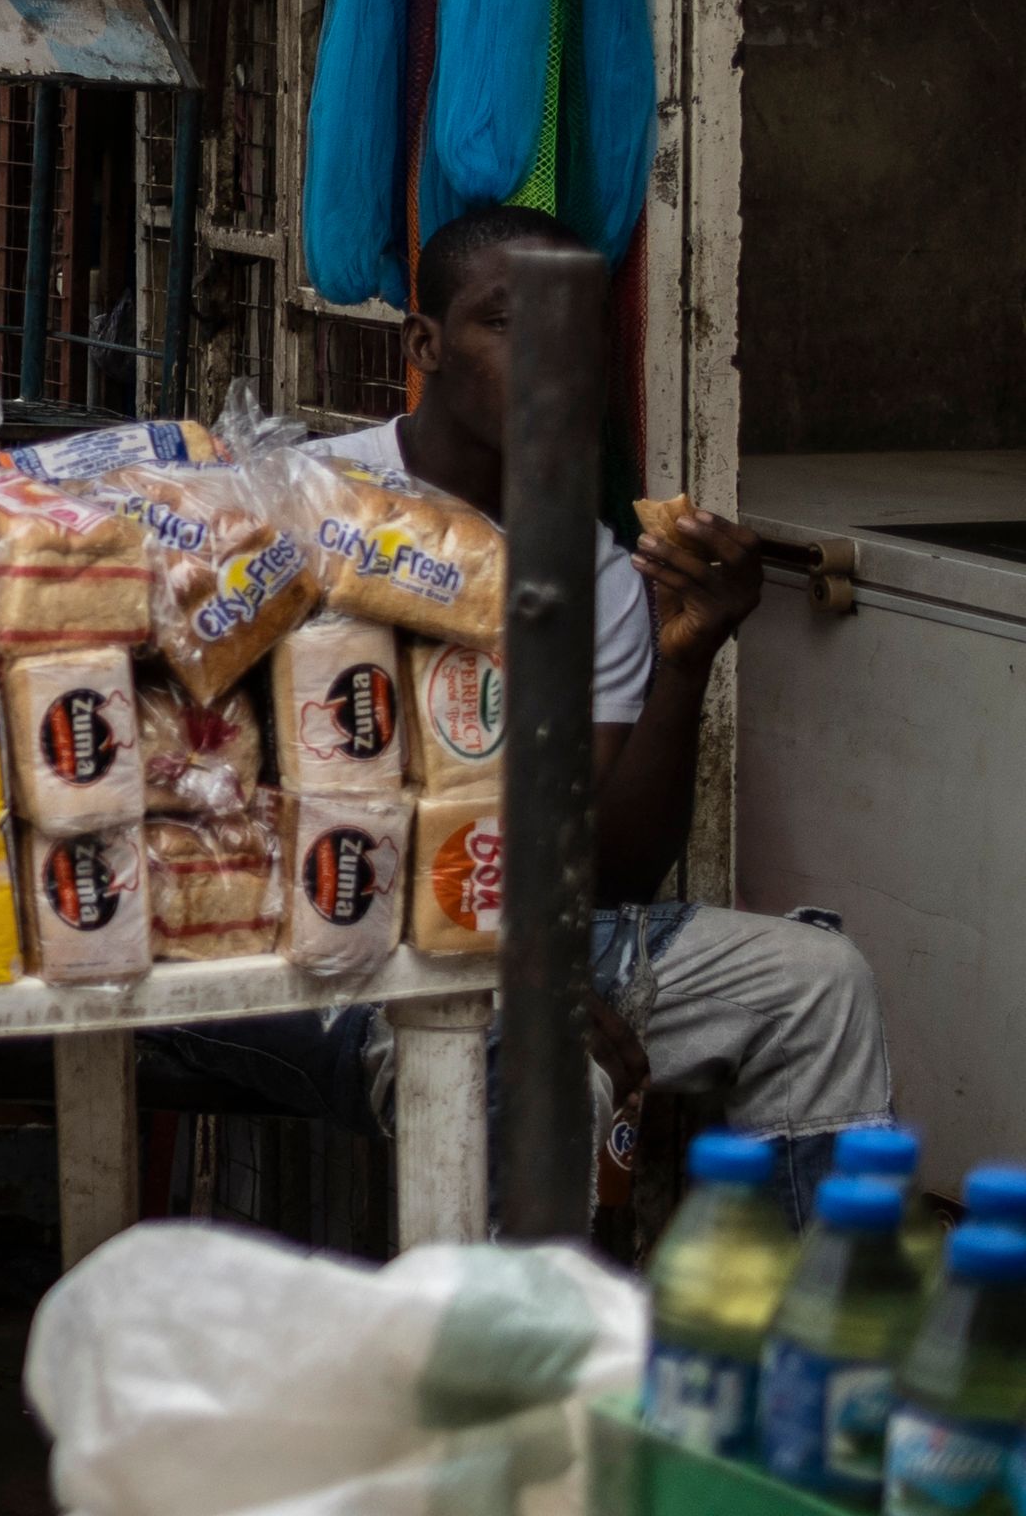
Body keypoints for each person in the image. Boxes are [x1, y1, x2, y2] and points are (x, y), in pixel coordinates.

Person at [320, 202, 895, 1172]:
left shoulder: (592, 576)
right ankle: (520, 1327)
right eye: (508, 323)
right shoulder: (313, 504)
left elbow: (610, 869)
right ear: (426, 341)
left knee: (817, 979)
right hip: (324, 938)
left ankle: (805, 1312)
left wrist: (687, 657)